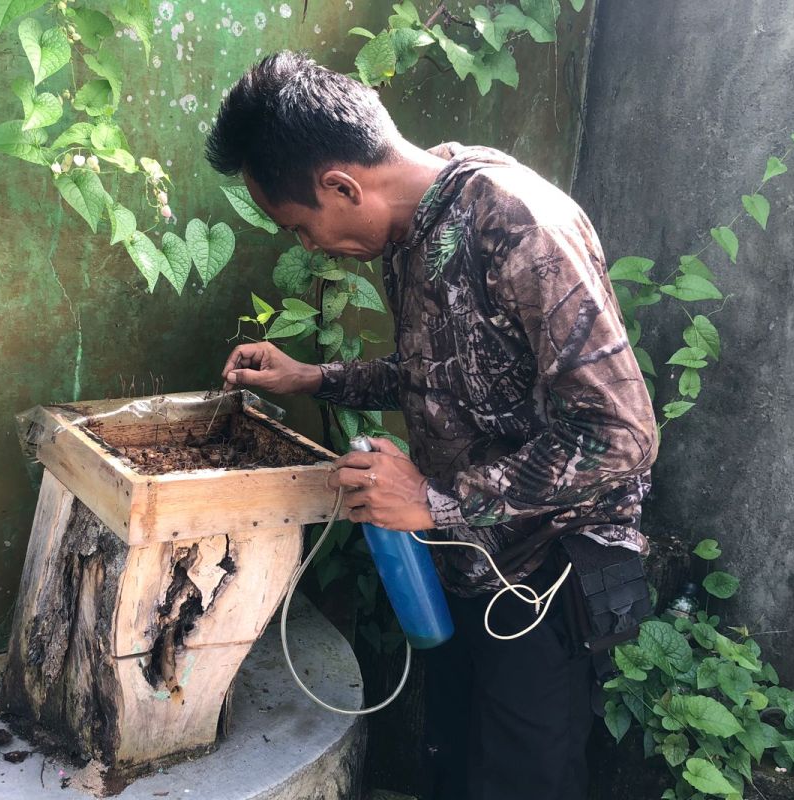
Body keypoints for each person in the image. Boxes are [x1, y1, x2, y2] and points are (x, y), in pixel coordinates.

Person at [204, 51, 657, 800]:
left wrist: (437, 504)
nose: (309, 248)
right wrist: (312, 378)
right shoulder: (415, 225)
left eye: (300, 229)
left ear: (342, 185)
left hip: (546, 574)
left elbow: (621, 433)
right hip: (465, 561)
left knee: (522, 781)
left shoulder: (521, 226)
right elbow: (439, 370)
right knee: (451, 765)